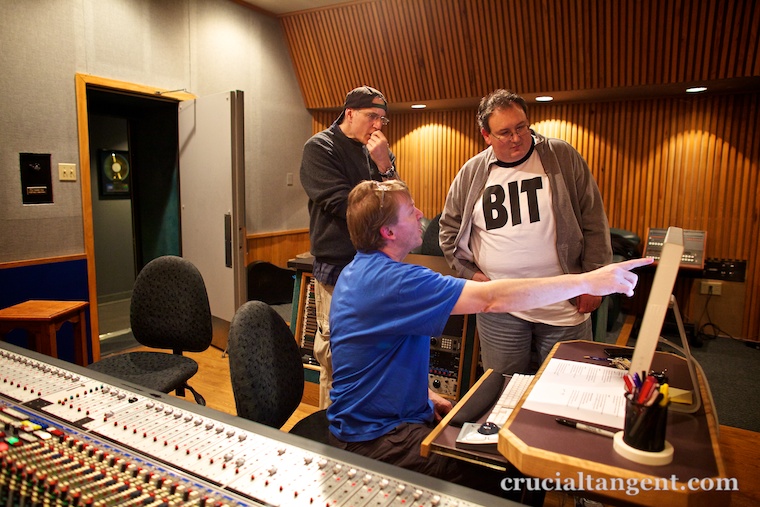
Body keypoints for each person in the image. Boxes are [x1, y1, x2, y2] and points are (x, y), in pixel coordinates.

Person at [327, 179, 651, 496]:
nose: (420, 213)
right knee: (509, 474)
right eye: (410, 210)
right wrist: (585, 282)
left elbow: (370, 356)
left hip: (373, 424)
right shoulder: (396, 281)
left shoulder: (358, 271)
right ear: (389, 232)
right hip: (376, 440)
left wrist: (421, 395)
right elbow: (491, 299)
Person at [439, 89, 612, 375]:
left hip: (564, 304)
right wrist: (469, 274)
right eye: (504, 132)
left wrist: (594, 280)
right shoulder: (471, 172)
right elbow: (448, 231)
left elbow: (594, 219)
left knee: (568, 387)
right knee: (502, 388)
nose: (516, 138)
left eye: (521, 127)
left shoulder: (561, 156)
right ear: (486, 135)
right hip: (501, 308)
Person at [300, 86, 398, 409]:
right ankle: (333, 430)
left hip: (374, 266)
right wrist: (380, 202)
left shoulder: (377, 153)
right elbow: (345, 206)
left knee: (370, 350)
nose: (378, 126)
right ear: (350, 113)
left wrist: (385, 166)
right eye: (372, 117)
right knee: (336, 354)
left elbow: (399, 205)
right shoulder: (320, 148)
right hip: (338, 268)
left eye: (383, 119)